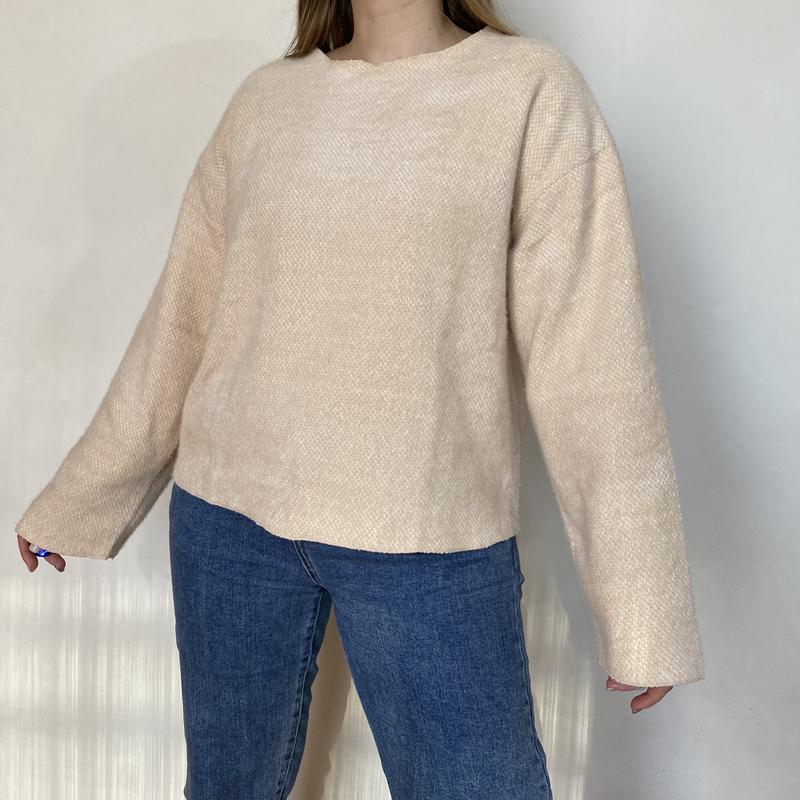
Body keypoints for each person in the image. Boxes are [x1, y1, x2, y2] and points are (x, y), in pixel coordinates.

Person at [15, 1, 706, 797]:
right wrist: (80, 497)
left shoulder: (528, 90)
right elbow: (183, 321)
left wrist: (642, 606)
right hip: (228, 523)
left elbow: (593, 360)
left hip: (426, 535)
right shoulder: (267, 101)